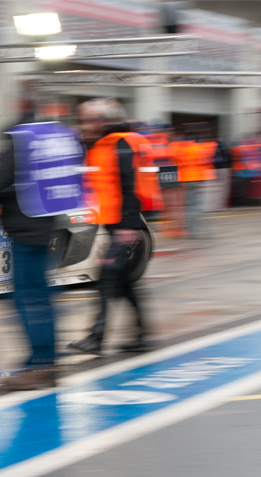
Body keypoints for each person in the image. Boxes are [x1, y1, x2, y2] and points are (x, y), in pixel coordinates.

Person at [0, 122, 81, 390]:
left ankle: (40, 363)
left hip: (24, 231)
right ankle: (46, 361)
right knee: (40, 295)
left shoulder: (16, 151)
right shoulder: (49, 151)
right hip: (44, 228)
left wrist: (4, 189)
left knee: (25, 298)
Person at [68, 98, 162, 356]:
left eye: (87, 120)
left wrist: (129, 225)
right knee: (123, 283)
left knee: (107, 279)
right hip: (115, 223)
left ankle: (96, 338)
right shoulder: (104, 143)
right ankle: (143, 334)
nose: (83, 126)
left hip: (125, 224)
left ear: (101, 120)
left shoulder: (121, 144)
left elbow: (129, 185)